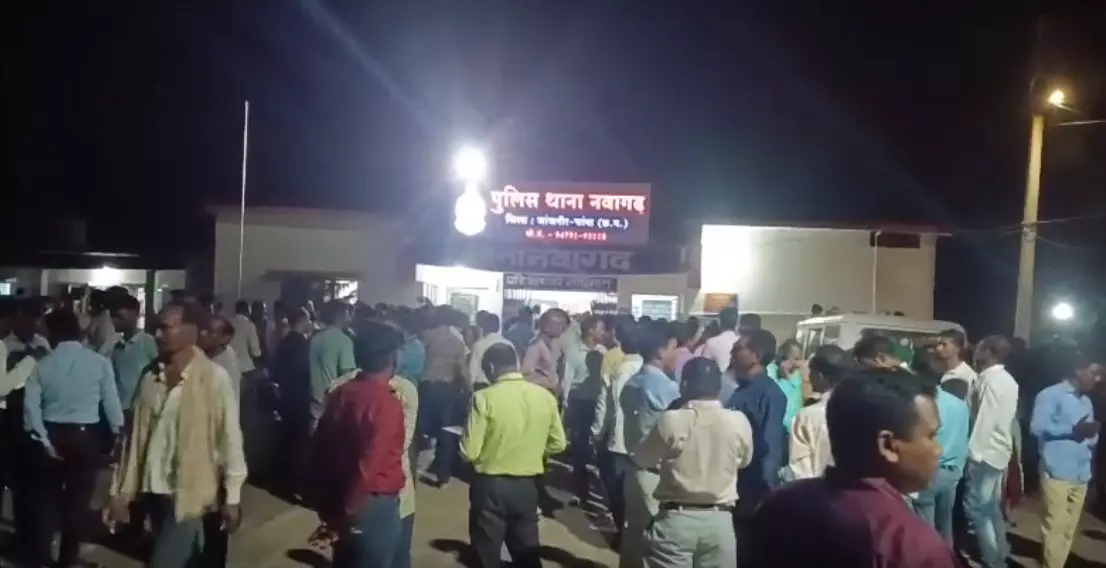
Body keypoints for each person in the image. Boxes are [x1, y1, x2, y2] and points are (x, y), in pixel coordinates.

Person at [748, 369, 959, 567]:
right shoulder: (913, 546)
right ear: (887, 445)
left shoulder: (777, 506)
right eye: (931, 436)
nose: (938, 449)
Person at [105, 301, 247, 568]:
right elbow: (131, 439)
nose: (158, 335)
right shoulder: (150, 377)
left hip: (192, 495)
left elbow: (230, 439)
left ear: (192, 330)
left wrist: (233, 497)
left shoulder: (214, 379)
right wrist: (119, 492)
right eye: (156, 328)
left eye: (166, 327)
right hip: (154, 492)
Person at [24, 309, 124, 568]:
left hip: (52, 433)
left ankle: (42, 557)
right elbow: (112, 405)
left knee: (47, 499)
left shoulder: (42, 365)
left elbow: (31, 408)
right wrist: (118, 434)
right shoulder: (99, 363)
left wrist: (43, 440)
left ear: (52, 333)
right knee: (78, 502)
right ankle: (68, 559)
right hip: (85, 436)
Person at [632, 357, 753, 568]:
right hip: (720, 522)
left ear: (685, 384)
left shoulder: (672, 420)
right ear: (718, 387)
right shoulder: (738, 421)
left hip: (676, 521)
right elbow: (744, 462)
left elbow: (642, 458)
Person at [308, 320, 408, 568]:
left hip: (340, 493)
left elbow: (320, 445)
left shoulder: (342, 392)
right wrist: (348, 514)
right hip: (371, 503)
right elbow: (369, 465)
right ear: (392, 358)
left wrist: (329, 506)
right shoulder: (386, 404)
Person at [461, 343, 567, 568]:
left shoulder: (483, 398)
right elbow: (558, 443)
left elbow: (470, 451)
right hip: (527, 485)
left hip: (490, 484)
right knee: (526, 548)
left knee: (486, 550)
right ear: (516, 363)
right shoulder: (544, 397)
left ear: (491, 367)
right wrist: (534, 450)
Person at [1030, 349, 1101, 568]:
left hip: (1081, 473)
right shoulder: (1050, 395)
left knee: (1069, 530)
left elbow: (1090, 436)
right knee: (1055, 527)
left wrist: (1091, 435)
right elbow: (1037, 427)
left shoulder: (1086, 401)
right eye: (1094, 373)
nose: (1098, 379)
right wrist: (1072, 431)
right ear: (1078, 370)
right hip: (1057, 471)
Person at [618, 324, 681, 568]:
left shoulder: (634, 382)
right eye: (674, 348)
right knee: (654, 545)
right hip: (656, 475)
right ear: (660, 351)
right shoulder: (665, 388)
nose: (677, 355)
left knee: (633, 538)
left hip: (635, 469)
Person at [0, 303, 49, 562]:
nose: (28, 325)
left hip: (34, 420)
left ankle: (26, 538)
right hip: (8, 420)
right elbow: (3, 387)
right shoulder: (5, 346)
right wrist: (30, 360)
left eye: (33, 320)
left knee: (28, 486)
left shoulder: (42, 344)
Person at [965, 335, 1019, 568]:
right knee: (990, 507)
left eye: (979, 348)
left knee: (979, 509)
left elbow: (986, 418)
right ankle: (1001, 550)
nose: (975, 352)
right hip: (997, 451)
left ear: (990, 352)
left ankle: (993, 559)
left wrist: (973, 453)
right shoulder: (1006, 379)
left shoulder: (992, 380)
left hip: (986, 452)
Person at [591, 322, 644, 544]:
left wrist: (597, 433)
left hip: (618, 440)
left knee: (617, 492)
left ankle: (623, 534)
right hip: (643, 443)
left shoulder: (616, 366)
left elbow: (604, 403)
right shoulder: (650, 370)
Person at [725, 329, 787, 511]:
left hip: (752, 489)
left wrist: (766, 494)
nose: (731, 354)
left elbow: (770, 447)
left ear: (757, 356)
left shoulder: (770, 394)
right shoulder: (739, 390)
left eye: (737, 349)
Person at [912, 362, 970, 542]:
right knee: (945, 524)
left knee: (925, 526)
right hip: (952, 472)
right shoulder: (960, 404)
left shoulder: (924, 405)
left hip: (930, 469)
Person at [420, 306, 470, 486]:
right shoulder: (457, 340)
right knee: (446, 430)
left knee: (420, 428)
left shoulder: (426, 335)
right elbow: (462, 369)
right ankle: (442, 471)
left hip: (426, 385)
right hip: (447, 387)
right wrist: (468, 389)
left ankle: (414, 464)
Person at [785, 344, 850, 481]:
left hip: (816, 490)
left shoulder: (807, 416)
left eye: (811, 373)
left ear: (819, 376)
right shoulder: (862, 411)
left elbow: (800, 471)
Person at [562, 315, 607, 505]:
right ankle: (579, 487)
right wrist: (566, 404)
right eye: (601, 329)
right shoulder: (574, 352)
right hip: (579, 402)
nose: (603, 333)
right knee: (580, 446)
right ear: (591, 331)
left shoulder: (603, 352)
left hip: (598, 403)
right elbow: (567, 379)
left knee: (597, 445)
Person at [271, 308, 314, 497]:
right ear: (301, 320)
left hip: (285, 396)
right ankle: (294, 483)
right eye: (308, 320)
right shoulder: (302, 344)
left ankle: (282, 479)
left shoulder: (285, 342)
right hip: (299, 398)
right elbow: (306, 372)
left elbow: (275, 368)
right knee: (298, 442)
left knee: (286, 439)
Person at [105, 294, 159, 420]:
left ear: (134, 314)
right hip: (120, 409)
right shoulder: (116, 346)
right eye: (112, 316)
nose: (114, 321)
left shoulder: (148, 342)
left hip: (141, 410)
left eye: (119, 316)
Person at [309, 300, 356, 431]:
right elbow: (347, 375)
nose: (350, 316)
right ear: (340, 314)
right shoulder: (344, 341)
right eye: (347, 312)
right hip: (333, 400)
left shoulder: (315, 338)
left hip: (313, 398)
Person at [768, 338, 804, 434]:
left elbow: (796, 401)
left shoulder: (796, 375)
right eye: (796, 359)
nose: (798, 363)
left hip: (794, 428)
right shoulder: (771, 371)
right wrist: (783, 376)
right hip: (778, 427)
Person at [203, 315, 242, 402]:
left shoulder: (227, 362)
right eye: (204, 329)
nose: (203, 333)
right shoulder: (208, 354)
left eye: (210, 332)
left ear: (225, 339)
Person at [468, 311, 511, 388]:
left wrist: (469, 388)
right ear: (498, 327)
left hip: (482, 386)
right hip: (502, 385)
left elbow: (473, 371)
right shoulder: (509, 344)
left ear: (484, 327)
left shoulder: (479, 345)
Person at [936, 328, 976, 402]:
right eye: (938, 344)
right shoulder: (938, 372)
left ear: (957, 348)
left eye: (944, 344)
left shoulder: (967, 375)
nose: (938, 348)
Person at [699, 307, 739, 372]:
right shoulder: (741, 341)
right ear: (737, 323)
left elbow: (703, 367)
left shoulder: (711, 342)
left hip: (717, 377)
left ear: (719, 322)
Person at [229, 300, 262, 378]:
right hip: (245, 368)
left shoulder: (228, 324)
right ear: (246, 311)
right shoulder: (250, 325)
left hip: (230, 366)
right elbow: (255, 351)